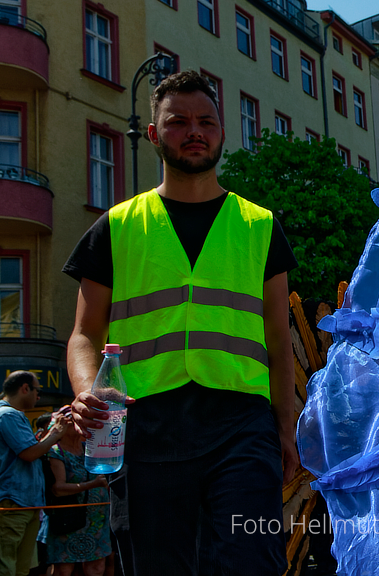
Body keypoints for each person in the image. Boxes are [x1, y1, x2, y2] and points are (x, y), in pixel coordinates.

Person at [64, 71, 298, 575]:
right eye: (178, 122)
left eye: (206, 121)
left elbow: (280, 341)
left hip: (242, 428)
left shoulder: (261, 227)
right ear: (152, 134)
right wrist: (87, 390)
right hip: (144, 428)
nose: (194, 131)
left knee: (250, 561)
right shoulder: (115, 228)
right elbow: (85, 334)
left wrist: (285, 424)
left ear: (221, 133)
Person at [0, 371, 69, 576]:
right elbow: (29, 454)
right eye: (38, 390)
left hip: (25, 504)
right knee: (5, 568)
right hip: (12, 504)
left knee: (20, 569)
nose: (39, 396)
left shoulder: (14, 415)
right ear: (25, 388)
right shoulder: (7, 415)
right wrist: (56, 434)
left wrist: (51, 432)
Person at [40, 406, 110, 576]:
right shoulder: (55, 451)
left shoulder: (91, 448)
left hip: (97, 520)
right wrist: (92, 484)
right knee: (64, 569)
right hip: (68, 519)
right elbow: (58, 489)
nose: (81, 426)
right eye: (75, 422)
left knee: (97, 567)